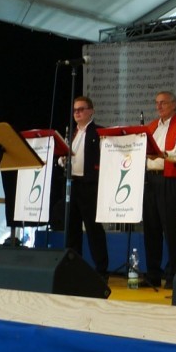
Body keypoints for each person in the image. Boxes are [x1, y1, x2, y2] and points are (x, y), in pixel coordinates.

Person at [144, 91, 176, 287]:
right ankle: (153, 274)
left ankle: (174, 275)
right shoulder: (151, 126)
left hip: (169, 180)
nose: (159, 106)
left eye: (163, 102)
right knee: (151, 228)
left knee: (171, 229)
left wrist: (162, 154)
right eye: (157, 103)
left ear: (174, 104)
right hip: (149, 180)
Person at [59, 95, 109, 276]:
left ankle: (101, 269)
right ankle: (74, 268)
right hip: (72, 184)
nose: (77, 113)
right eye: (75, 110)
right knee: (72, 229)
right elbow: (64, 155)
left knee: (93, 229)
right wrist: (61, 160)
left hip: (90, 186)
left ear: (91, 111)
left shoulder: (99, 132)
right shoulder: (71, 133)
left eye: (81, 109)